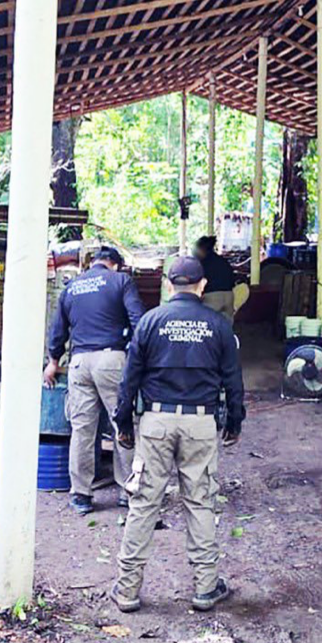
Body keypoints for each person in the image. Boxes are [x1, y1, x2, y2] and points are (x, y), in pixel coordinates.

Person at [112, 256, 245, 614]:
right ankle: (205, 588)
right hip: (200, 424)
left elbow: (129, 379)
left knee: (144, 503)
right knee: (199, 502)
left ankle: (127, 590)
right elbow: (233, 380)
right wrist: (235, 421)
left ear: (169, 285)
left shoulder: (150, 322)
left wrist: (124, 423)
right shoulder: (218, 325)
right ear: (203, 286)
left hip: (156, 423)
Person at [44, 244, 144, 515]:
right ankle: (128, 491)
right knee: (122, 423)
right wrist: (140, 360)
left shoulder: (72, 287)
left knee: (82, 430)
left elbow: (57, 331)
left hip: (79, 363)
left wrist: (53, 362)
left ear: (93, 262)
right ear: (115, 264)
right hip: (112, 361)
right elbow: (139, 322)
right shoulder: (121, 281)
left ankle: (81, 495)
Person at [193, 235, 236, 321]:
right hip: (229, 295)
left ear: (202, 249)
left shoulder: (202, 263)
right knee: (226, 325)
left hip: (212, 297)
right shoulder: (222, 260)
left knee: (209, 323)